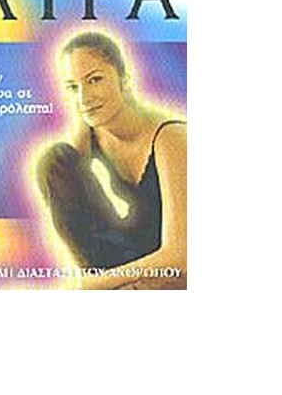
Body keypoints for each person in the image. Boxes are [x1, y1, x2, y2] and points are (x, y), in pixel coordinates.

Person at [35, 31, 186, 289]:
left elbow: (180, 256)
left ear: (124, 79)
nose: (84, 97)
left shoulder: (171, 137)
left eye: (94, 80)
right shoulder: (92, 128)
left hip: (178, 267)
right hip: (132, 255)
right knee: (54, 161)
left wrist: (92, 286)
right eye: (73, 87)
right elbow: (66, 189)